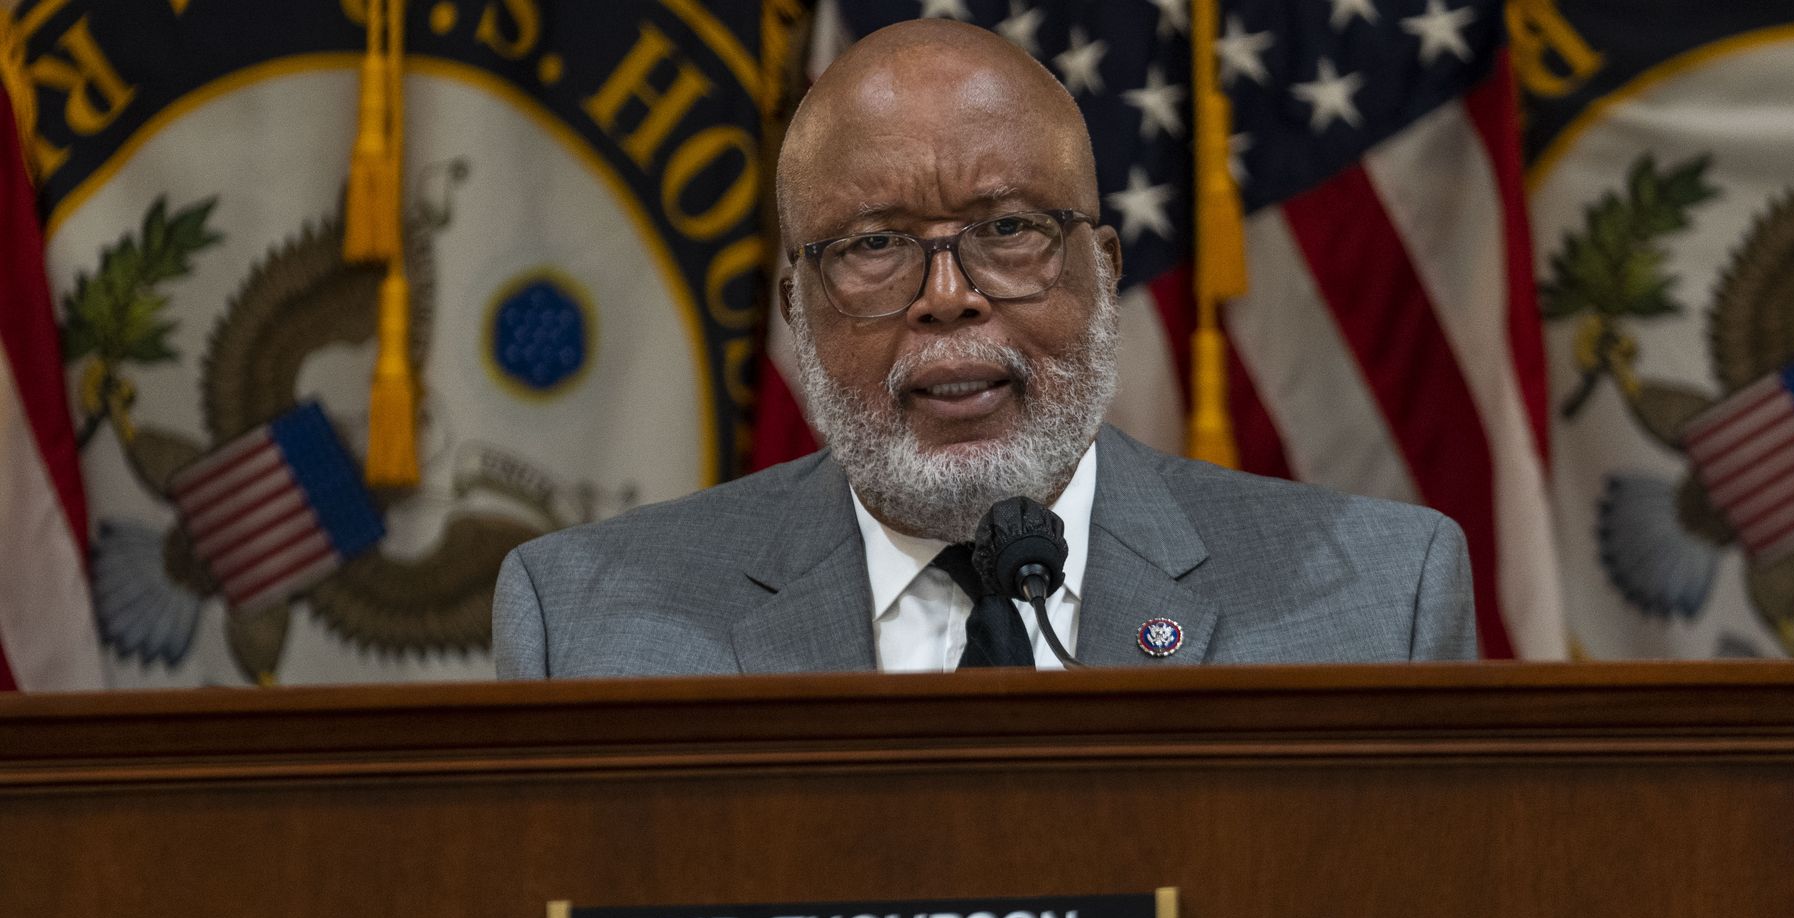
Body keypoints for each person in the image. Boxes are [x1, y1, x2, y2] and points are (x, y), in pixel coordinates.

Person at [492, 19, 1476, 678]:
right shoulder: (587, 626)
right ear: (796, 309)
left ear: (1101, 271)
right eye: (875, 246)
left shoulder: (1378, 600)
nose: (948, 299)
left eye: (1008, 230)